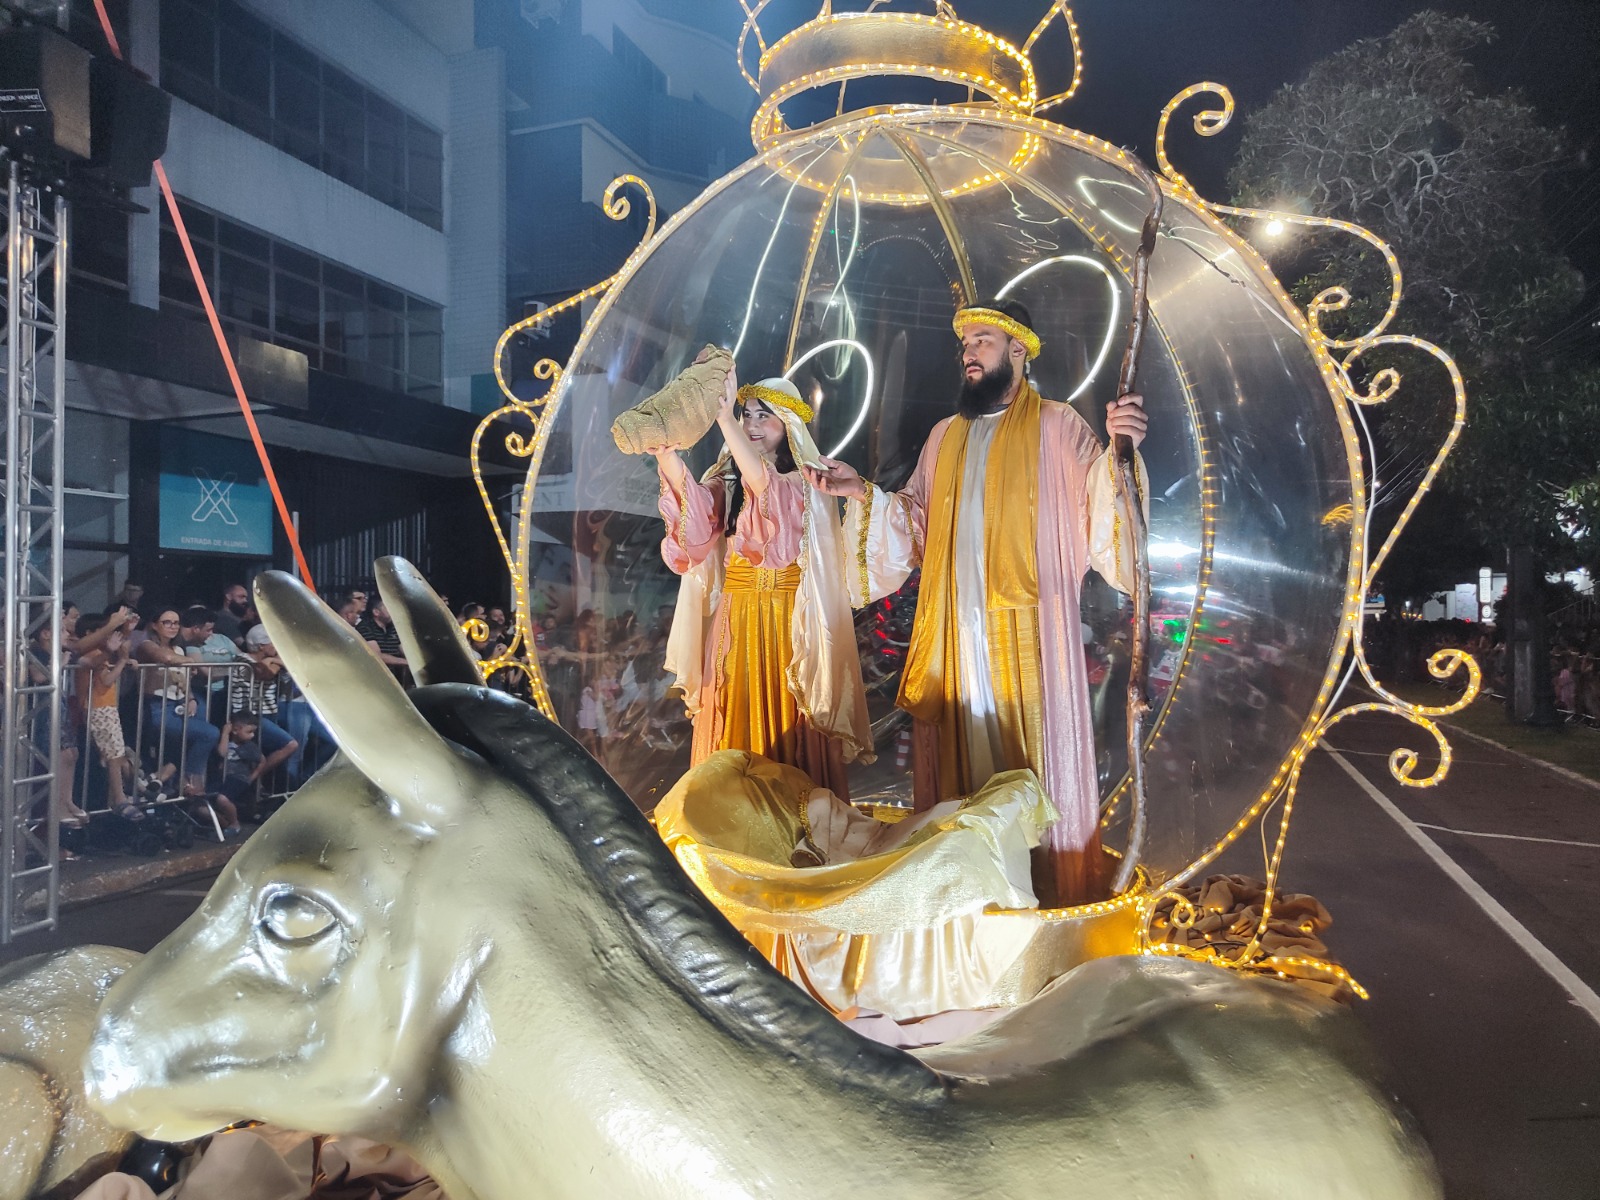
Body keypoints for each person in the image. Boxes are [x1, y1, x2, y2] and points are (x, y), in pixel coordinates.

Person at [804, 298, 1148, 906]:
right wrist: (861, 492)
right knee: (962, 765)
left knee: (1030, 760)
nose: (968, 352)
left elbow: (1101, 505)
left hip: (1030, 631)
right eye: (965, 343)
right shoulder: (946, 436)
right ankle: (960, 896)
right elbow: (915, 524)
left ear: (1018, 349)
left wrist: (1121, 450)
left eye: (982, 340)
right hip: (955, 632)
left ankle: (1042, 891)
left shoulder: (1057, 425)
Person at [649, 369, 871, 796]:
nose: (751, 424)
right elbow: (695, 523)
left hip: (788, 622)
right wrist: (667, 457)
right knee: (733, 707)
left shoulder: (807, 481)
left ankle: (792, 811)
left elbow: (767, 489)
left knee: (789, 712)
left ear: (787, 425)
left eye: (762, 416)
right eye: (745, 415)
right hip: (736, 619)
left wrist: (724, 420)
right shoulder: (730, 480)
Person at [136, 609, 221, 798]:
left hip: (177, 705)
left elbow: (183, 679)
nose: (173, 626)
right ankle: (188, 780)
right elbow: (165, 658)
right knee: (209, 733)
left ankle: (158, 779)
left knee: (188, 742)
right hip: (156, 708)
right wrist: (190, 661)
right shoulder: (146, 645)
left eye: (176, 623)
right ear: (155, 625)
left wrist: (190, 698)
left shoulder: (179, 650)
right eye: (167, 622)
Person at [75, 610, 141, 819]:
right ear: (90, 633)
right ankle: (119, 799)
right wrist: (122, 660)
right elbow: (106, 679)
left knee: (116, 754)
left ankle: (118, 797)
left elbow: (114, 649)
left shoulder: (98, 652)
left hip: (105, 707)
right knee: (113, 754)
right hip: (98, 708)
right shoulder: (91, 654)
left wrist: (126, 632)